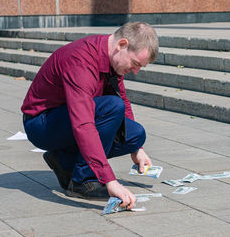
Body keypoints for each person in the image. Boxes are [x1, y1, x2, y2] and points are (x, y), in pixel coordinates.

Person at [21, 22, 158, 210]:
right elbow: (83, 124)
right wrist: (109, 180)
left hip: (69, 117)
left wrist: (137, 148)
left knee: (135, 134)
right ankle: (84, 181)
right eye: (135, 64)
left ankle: (64, 160)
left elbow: (122, 99)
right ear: (122, 45)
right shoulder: (80, 61)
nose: (136, 71)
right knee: (111, 107)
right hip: (42, 124)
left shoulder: (112, 59)